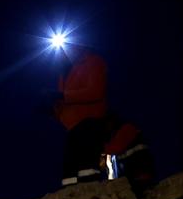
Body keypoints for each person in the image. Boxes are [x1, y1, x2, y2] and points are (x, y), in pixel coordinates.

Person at [52, 45, 153, 190]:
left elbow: (95, 91)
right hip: (77, 130)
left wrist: (63, 96)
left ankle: (86, 194)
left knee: (85, 166)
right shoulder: (64, 75)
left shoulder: (92, 62)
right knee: (73, 169)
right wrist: (54, 109)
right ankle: (73, 197)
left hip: (135, 176)